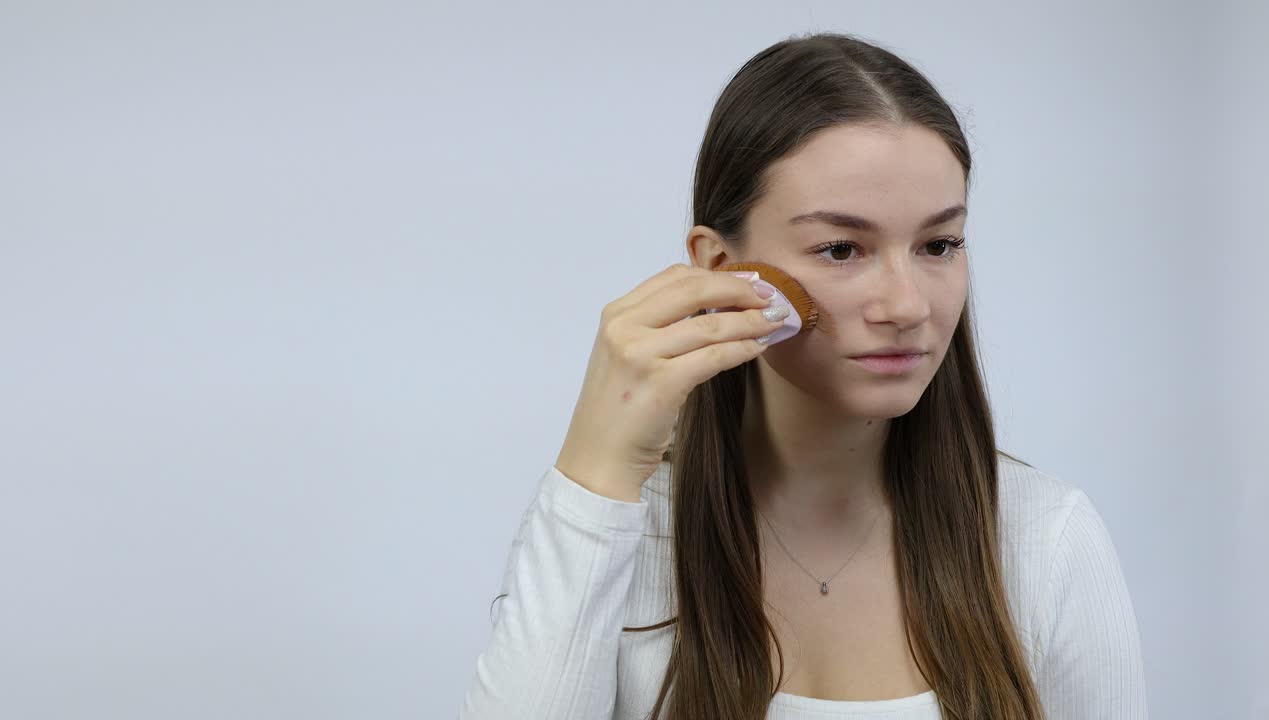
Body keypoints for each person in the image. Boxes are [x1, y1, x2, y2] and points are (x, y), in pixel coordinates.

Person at [460, 31, 1148, 719]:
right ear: (720, 266)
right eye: (842, 249)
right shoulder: (617, 535)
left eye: (939, 244)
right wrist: (596, 469)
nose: (907, 306)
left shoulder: (1044, 541)